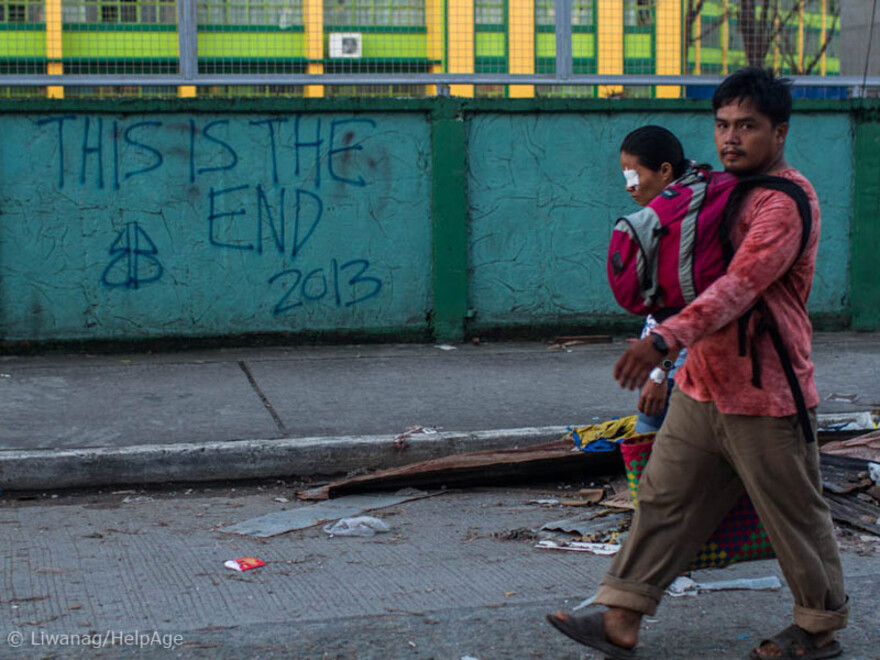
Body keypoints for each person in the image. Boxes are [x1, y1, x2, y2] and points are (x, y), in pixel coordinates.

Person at [548, 67, 848, 660]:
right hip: (700, 384)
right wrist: (668, 360)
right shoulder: (711, 191)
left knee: (793, 516)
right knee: (663, 498)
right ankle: (621, 618)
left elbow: (739, 286)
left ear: (780, 132)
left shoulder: (786, 201)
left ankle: (818, 627)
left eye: (748, 126)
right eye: (722, 125)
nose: (731, 137)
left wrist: (661, 341)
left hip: (766, 394)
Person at [618, 125, 689, 433]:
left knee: (649, 458)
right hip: (666, 363)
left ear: (664, 171)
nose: (629, 187)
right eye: (626, 178)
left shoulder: (681, 225)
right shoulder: (667, 218)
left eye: (635, 176)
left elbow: (684, 311)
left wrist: (660, 375)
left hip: (677, 369)